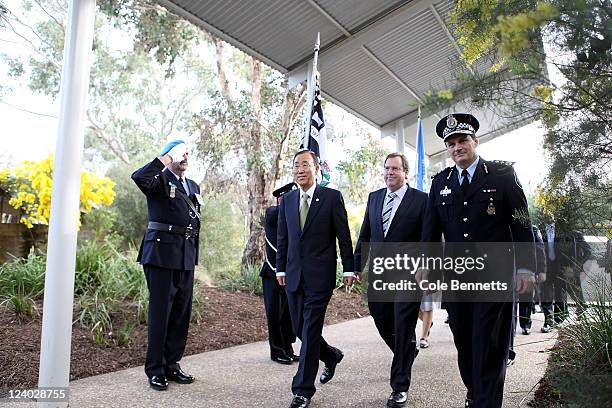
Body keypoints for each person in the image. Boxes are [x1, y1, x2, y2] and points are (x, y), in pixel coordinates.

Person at [419, 113, 535, 408]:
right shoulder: (440, 183)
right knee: (464, 340)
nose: (458, 147)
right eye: (452, 143)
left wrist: (525, 268)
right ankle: (475, 392)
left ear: (475, 141)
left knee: (490, 343)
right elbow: (431, 231)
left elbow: (522, 224)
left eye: (463, 141)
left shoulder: (501, 175)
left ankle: (485, 401)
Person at [276, 150, 355, 408]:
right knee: (300, 329)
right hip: (293, 275)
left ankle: (302, 390)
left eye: (305, 165)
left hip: (320, 277)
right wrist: (280, 269)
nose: (300, 170)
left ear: (316, 168)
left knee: (309, 330)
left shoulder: (331, 198)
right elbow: (283, 238)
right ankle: (331, 356)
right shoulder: (287, 200)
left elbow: (343, 236)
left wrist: (348, 268)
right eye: (296, 165)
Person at [354, 153, 427, 408]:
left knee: (403, 323)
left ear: (406, 172)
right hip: (379, 273)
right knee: (380, 316)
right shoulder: (375, 198)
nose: (390, 173)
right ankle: (407, 352)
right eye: (387, 168)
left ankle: (399, 387)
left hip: (409, 273)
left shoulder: (420, 200)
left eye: (395, 169)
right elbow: (365, 234)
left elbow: (427, 238)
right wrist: (355, 267)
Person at [132, 139, 202, 391]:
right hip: (161, 254)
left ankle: (172, 364)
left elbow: (195, 223)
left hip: (185, 255)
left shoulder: (192, 185)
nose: (185, 157)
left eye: (187, 153)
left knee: (181, 313)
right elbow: (139, 176)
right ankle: (155, 369)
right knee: (161, 312)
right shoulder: (159, 179)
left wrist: (194, 256)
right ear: (170, 156)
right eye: (180, 153)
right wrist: (167, 158)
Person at [260, 182, 299, 365]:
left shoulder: (293, 216)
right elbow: (277, 214)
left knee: (288, 315)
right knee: (275, 313)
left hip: (289, 272)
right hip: (272, 272)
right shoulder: (272, 212)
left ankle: (288, 347)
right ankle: (276, 350)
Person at [540, 220, 591, 331]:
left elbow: (588, 251)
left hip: (566, 268)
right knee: (546, 294)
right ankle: (548, 321)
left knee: (566, 293)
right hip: (546, 268)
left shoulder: (573, 233)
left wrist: (575, 267)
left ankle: (562, 319)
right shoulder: (541, 230)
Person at [508, 225, 546, 366]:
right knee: (510, 307)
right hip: (508, 267)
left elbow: (539, 250)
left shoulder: (533, 229)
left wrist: (541, 270)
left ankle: (525, 324)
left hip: (525, 268)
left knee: (526, 300)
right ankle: (509, 342)